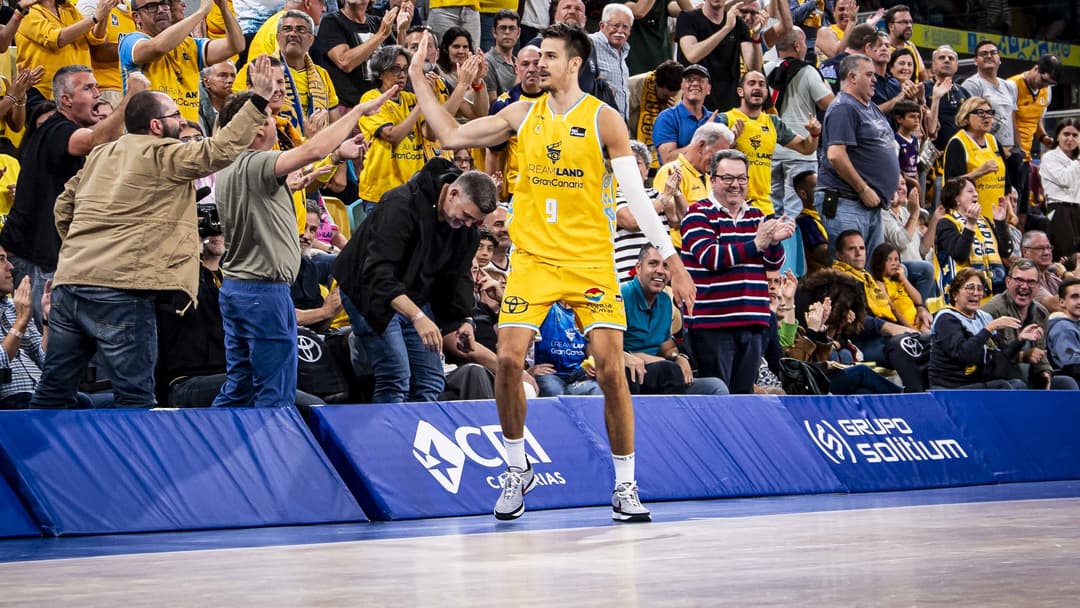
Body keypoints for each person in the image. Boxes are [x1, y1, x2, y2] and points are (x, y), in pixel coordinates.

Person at [406, 24, 695, 523]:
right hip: (535, 259)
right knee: (511, 361)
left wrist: (673, 260)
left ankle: (626, 485)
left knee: (609, 370)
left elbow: (637, 201)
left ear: (574, 63)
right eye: (537, 57)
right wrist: (417, 75)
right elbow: (448, 134)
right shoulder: (521, 112)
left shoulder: (605, 121)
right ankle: (517, 470)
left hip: (590, 260)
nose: (539, 64)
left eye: (550, 56)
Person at [30, 60, 277, 410]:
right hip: (120, 289)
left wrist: (79, 250)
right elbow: (219, 151)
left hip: (71, 284)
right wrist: (258, 101)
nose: (182, 120)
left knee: (53, 393)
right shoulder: (163, 152)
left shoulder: (101, 154)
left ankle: (26, 465)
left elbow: (63, 208)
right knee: (135, 398)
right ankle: (136, 467)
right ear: (157, 125)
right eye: (176, 115)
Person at [211, 77, 394, 409]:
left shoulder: (229, 165)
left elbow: (292, 184)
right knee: (275, 391)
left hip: (238, 288)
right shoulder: (258, 162)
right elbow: (311, 150)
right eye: (267, 118)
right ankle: (271, 458)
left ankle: (214, 448)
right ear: (254, 129)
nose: (274, 122)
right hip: (263, 293)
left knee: (239, 386)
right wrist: (359, 112)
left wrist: (337, 157)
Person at [334, 159, 497, 403]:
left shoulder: (466, 230)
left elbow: (459, 275)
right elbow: (378, 275)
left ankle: (418, 435)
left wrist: (464, 319)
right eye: (466, 216)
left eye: (475, 221)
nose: (467, 225)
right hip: (368, 291)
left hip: (415, 294)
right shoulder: (400, 205)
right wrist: (418, 317)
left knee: (430, 379)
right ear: (453, 192)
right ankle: (390, 438)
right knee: (395, 375)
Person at [0, 66, 141, 331]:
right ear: (66, 100)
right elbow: (96, 139)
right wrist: (131, 95)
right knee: (44, 346)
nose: (97, 94)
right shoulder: (56, 130)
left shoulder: (63, 129)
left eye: (97, 86)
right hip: (36, 261)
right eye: (88, 88)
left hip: (56, 259)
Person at [682, 149, 791, 394]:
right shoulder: (697, 214)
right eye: (728, 178)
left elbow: (773, 265)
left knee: (744, 399)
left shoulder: (757, 216)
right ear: (712, 180)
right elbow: (711, 257)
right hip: (713, 326)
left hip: (754, 323)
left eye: (741, 178)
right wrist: (757, 244)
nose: (735, 185)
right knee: (718, 399)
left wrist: (775, 243)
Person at [815, 53, 899, 257]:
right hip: (847, 201)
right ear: (852, 77)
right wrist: (863, 189)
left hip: (870, 205)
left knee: (870, 274)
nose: (875, 79)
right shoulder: (844, 107)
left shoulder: (869, 107)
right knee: (847, 273)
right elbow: (835, 155)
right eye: (869, 75)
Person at [622, 244, 729, 396]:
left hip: (661, 374)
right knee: (668, 371)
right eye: (653, 263)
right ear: (638, 267)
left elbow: (667, 348)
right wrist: (644, 358)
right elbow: (603, 349)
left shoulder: (666, 301)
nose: (660, 270)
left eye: (666, 265)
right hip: (629, 374)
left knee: (715, 386)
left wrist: (679, 358)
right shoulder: (621, 296)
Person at [120, 0, 243, 123]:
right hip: (151, 134)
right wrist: (201, 12)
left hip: (189, 134)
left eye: (164, 4)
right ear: (136, 17)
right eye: (151, 6)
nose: (161, 10)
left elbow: (236, 46)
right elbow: (158, 47)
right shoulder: (131, 41)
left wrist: (223, 8)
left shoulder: (190, 44)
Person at [716, 69, 819, 216]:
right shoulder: (725, 119)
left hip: (764, 208)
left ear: (766, 92)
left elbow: (806, 148)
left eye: (761, 84)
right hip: (731, 206)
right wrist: (729, 142)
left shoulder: (773, 122)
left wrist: (814, 134)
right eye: (751, 84)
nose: (757, 87)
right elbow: (708, 160)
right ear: (740, 91)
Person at [928, 268, 1041, 390]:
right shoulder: (946, 319)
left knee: (1019, 385)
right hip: (951, 387)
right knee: (1002, 387)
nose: (976, 293)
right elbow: (963, 355)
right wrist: (989, 328)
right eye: (970, 288)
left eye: (980, 289)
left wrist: (1020, 339)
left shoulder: (984, 317)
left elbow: (1000, 357)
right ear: (955, 294)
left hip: (977, 383)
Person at [766, 26, 834, 219]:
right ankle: (795, 249)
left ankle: (775, 249)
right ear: (797, 45)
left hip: (771, 149)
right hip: (801, 151)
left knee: (772, 212)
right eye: (804, 42)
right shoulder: (808, 71)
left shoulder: (765, 68)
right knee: (798, 214)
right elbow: (829, 105)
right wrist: (827, 87)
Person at [981, 258, 1078, 390]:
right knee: (1018, 386)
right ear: (1008, 282)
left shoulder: (1041, 312)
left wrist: (1045, 372)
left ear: (1038, 286)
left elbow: (1040, 352)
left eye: (1031, 282)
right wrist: (1022, 356)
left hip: (1030, 379)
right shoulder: (991, 311)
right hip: (1002, 380)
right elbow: (989, 359)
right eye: (1019, 280)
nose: (1024, 286)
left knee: (1066, 383)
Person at [313, 0, 406, 107]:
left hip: (380, 106)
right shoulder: (332, 22)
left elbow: (397, 63)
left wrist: (402, 30)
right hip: (349, 107)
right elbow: (344, 62)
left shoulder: (378, 22)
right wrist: (381, 34)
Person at [16, 0, 112, 103]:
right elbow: (56, 39)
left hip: (78, 88)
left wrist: (104, 13)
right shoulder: (28, 12)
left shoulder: (69, 9)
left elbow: (95, 38)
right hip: (45, 92)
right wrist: (94, 18)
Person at [675, 0, 760, 113]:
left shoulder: (737, 23)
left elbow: (753, 67)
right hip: (694, 103)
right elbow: (692, 55)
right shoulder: (688, 18)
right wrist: (726, 28)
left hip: (729, 105)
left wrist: (756, 37)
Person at [934, 177, 1011, 301]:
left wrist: (1000, 223)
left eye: (976, 191)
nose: (976, 194)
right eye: (970, 191)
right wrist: (970, 225)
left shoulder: (984, 221)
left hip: (997, 293)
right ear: (956, 199)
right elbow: (960, 255)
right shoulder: (946, 223)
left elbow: (1006, 251)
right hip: (964, 295)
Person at [485, 45, 542, 203]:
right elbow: (493, 152)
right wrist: (492, 199)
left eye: (536, 63)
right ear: (517, 68)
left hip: (552, 186)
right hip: (519, 191)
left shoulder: (558, 100)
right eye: (525, 64)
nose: (531, 69)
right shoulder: (504, 104)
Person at [943, 96, 1007, 219]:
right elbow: (950, 185)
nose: (987, 116)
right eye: (980, 113)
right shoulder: (958, 143)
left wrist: (1009, 209)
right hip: (969, 217)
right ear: (966, 117)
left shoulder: (993, 140)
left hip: (996, 216)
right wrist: (980, 172)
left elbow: (1006, 184)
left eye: (989, 113)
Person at [960, 41, 1018, 155]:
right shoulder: (971, 85)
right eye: (983, 54)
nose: (989, 56)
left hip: (1011, 150)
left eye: (993, 52)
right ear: (975, 61)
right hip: (987, 150)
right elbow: (970, 121)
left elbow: (1012, 118)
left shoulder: (1010, 86)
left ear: (999, 59)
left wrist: (1019, 148)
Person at [652, 63, 717, 165]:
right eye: (690, 80)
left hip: (707, 179)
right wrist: (703, 135)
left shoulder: (716, 120)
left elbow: (719, 158)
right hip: (675, 178)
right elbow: (668, 159)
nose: (695, 83)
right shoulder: (667, 118)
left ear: (709, 89)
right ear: (682, 87)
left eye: (700, 80)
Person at [626, 60, 682, 170]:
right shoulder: (632, 86)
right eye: (665, 95)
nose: (668, 99)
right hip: (633, 148)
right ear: (656, 83)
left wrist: (672, 113)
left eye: (673, 96)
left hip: (662, 153)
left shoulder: (679, 89)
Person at [1007, 54, 1061, 162]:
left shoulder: (1047, 90)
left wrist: (1043, 137)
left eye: (1050, 84)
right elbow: (1008, 122)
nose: (1045, 86)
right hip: (1010, 155)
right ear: (1036, 68)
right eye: (1044, 80)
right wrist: (1018, 151)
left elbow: (1036, 119)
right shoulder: (1012, 85)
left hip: (1026, 156)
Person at [1041, 118, 1080, 259]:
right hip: (1059, 210)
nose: (1070, 139)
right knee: (1066, 256)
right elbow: (1065, 180)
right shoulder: (1049, 157)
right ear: (1057, 136)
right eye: (1066, 134)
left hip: (1077, 209)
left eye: (1075, 135)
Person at [588, 4, 632, 120]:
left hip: (619, 123)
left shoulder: (624, 51)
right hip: (595, 121)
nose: (620, 31)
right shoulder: (589, 43)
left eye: (625, 27)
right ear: (602, 26)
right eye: (616, 26)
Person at [1047, 278, 1080, 382]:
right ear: (1062, 302)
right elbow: (1072, 361)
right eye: (1074, 297)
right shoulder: (1063, 328)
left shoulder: (1075, 325)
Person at [482, 9, 518, 100]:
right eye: (503, 28)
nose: (507, 32)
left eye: (512, 28)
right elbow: (492, 106)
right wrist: (519, 80)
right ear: (494, 32)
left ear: (519, 32)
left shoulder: (519, 62)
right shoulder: (487, 62)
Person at [199, 60, 236, 134]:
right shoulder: (194, 107)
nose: (230, 80)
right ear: (206, 82)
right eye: (222, 75)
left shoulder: (241, 104)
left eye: (233, 75)